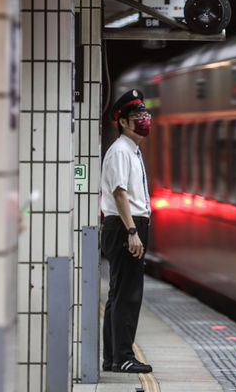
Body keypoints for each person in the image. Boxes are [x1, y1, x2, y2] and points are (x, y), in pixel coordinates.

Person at [100, 89, 153, 373]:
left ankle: (113, 358)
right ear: (122, 121)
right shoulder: (121, 151)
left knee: (119, 294)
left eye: (146, 114)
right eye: (137, 116)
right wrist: (132, 231)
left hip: (125, 226)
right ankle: (123, 357)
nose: (144, 120)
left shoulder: (130, 150)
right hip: (125, 227)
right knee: (127, 295)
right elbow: (120, 193)